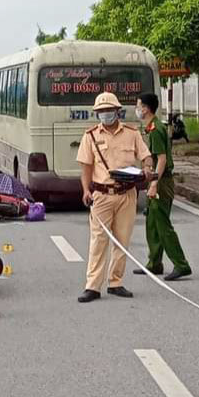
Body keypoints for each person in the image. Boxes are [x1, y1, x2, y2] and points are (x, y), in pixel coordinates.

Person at [76, 92, 154, 302]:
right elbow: (86, 165)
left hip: (127, 194)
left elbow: (146, 155)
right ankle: (92, 286)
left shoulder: (132, 133)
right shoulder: (91, 135)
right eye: (101, 112)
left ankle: (115, 282)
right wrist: (86, 190)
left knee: (122, 240)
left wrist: (147, 167)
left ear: (117, 111)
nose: (105, 115)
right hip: (101, 194)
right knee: (98, 241)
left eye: (108, 111)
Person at [134, 93, 191, 281]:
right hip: (158, 180)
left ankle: (181, 264)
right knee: (152, 223)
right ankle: (154, 263)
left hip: (162, 181)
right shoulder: (152, 128)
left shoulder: (157, 129)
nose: (137, 109)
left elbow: (162, 159)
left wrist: (154, 183)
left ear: (146, 108)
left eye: (138, 105)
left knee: (163, 224)